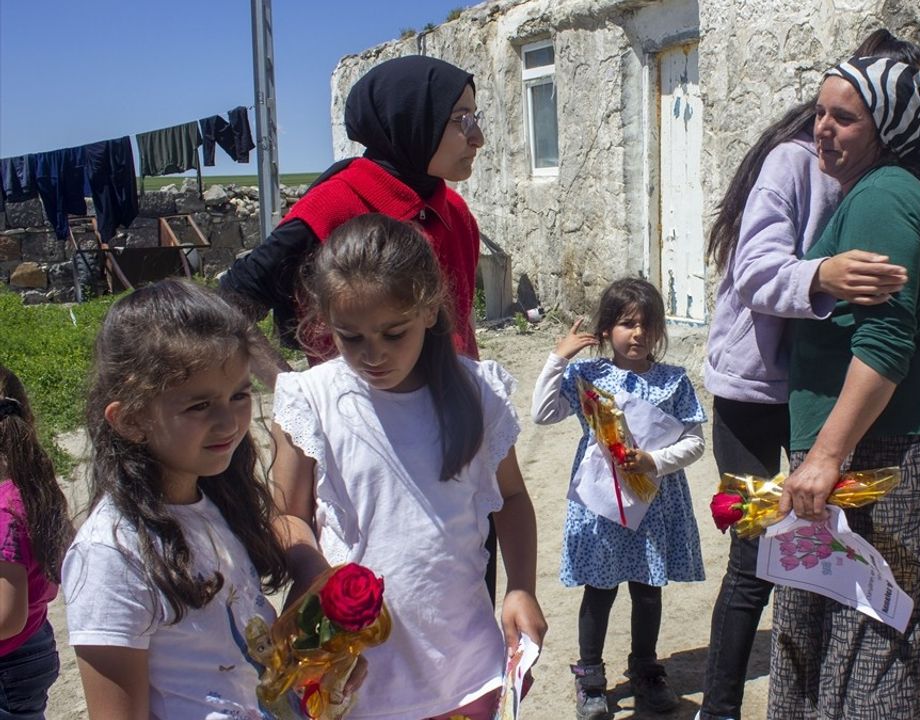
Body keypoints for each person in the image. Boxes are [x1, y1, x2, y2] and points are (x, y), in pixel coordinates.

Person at [698, 29, 920, 720]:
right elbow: (754, 271)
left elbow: (907, 290)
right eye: (824, 111)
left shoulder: (886, 188)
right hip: (764, 386)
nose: (825, 127)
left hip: (851, 411)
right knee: (770, 568)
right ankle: (721, 707)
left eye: (844, 116)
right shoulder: (803, 165)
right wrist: (823, 274)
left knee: (852, 599)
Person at [270, 214, 546, 720]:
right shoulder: (312, 400)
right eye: (350, 337)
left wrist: (521, 587)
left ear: (428, 309)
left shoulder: (477, 394)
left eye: (393, 333)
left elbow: (510, 498)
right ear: (326, 321)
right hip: (353, 677)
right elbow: (286, 514)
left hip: (463, 667)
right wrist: (317, 577)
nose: (372, 354)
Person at [60, 280, 316, 719]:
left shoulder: (214, 498)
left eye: (239, 395)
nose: (229, 423)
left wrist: (314, 572)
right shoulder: (111, 555)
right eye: (199, 405)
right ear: (131, 419)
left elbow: (285, 528)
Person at [219, 54, 487, 387]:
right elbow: (230, 302)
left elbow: (463, 325)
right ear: (412, 120)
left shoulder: (455, 214)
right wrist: (295, 395)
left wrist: (477, 398)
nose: (478, 137)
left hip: (452, 407)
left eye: (474, 117)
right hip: (358, 416)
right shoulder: (332, 208)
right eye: (461, 119)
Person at [531, 277, 706, 720]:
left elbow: (695, 442)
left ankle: (646, 670)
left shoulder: (673, 381)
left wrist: (654, 461)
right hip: (603, 505)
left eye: (648, 324)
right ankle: (590, 676)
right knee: (600, 589)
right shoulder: (588, 376)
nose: (638, 334)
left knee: (648, 590)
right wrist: (558, 358)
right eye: (627, 323)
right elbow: (542, 413)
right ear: (607, 328)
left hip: (654, 504)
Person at [0, 365, 72, 720]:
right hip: (34, 639)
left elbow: (6, 618)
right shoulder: (30, 488)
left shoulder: (4, 509)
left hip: (9, 659)